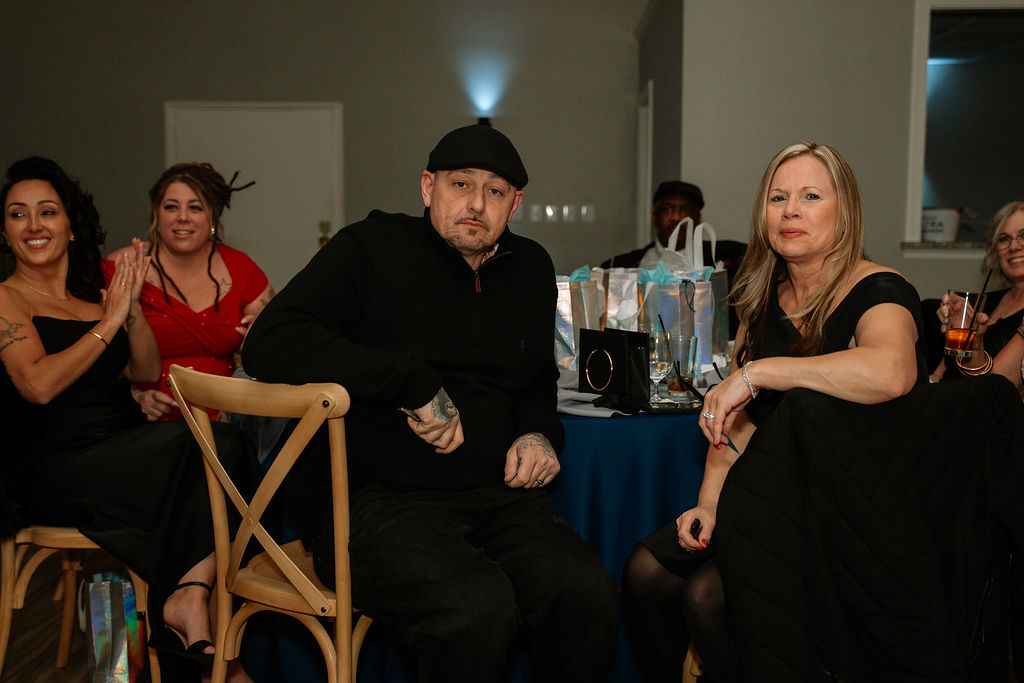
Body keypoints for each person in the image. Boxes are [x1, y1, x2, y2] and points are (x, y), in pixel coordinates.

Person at [241, 124, 618, 682]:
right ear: (427, 187)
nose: (476, 203)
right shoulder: (370, 248)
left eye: (494, 191)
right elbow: (269, 341)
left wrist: (538, 432)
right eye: (460, 184)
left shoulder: (531, 267)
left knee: (588, 596)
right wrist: (407, 381)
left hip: (498, 496)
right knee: (475, 610)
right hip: (372, 498)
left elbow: (537, 378)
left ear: (515, 204)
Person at [623, 141, 929, 682]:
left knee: (706, 598)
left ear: (844, 211)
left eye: (810, 196)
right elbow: (737, 424)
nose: (790, 211)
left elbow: (892, 371)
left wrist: (758, 373)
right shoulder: (762, 299)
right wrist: (709, 505)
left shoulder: (880, 290)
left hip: (852, 519)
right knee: (646, 572)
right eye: (778, 197)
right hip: (767, 500)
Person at [0, 157, 257, 682]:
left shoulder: (92, 299)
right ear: (4, 233)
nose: (33, 225)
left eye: (47, 211)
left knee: (222, 453)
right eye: (17, 214)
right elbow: (38, 385)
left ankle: (183, 611)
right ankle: (180, 650)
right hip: (57, 466)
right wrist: (110, 321)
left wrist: (130, 308)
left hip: (118, 450)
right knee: (208, 452)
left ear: (70, 225)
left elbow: (141, 370)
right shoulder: (6, 298)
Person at [105, 163, 275, 421]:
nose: (182, 217)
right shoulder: (122, 266)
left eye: (195, 208)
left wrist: (258, 342)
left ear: (213, 216)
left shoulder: (241, 268)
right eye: (171, 207)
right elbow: (95, 358)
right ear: (156, 213)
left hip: (226, 423)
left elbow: (280, 345)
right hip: (145, 421)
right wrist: (133, 398)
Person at [931, 200, 1024, 383]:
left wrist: (976, 341)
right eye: (1004, 239)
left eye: (1023, 235)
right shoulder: (981, 302)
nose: (1014, 247)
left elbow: (996, 388)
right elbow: (941, 372)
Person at [601, 180, 705, 269]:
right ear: (654, 218)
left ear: (698, 220)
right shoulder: (618, 266)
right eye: (667, 210)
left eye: (685, 210)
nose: (676, 217)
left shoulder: (713, 259)